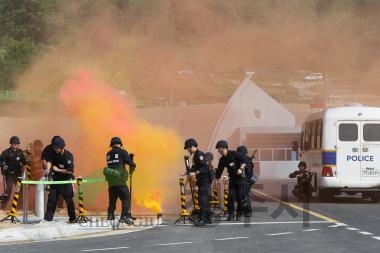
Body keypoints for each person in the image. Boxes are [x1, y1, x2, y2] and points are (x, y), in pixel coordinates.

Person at [103, 137, 136, 224]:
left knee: (112, 199)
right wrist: (132, 161)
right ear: (120, 144)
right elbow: (130, 163)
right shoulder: (123, 152)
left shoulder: (108, 154)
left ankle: (110, 215)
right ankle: (124, 217)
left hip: (111, 181)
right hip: (120, 180)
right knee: (126, 198)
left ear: (112, 144)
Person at [44, 137, 76, 223]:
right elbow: (49, 161)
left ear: (61, 147)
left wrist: (57, 169)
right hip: (56, 180)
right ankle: (47, 220)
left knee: (69, 200)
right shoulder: (53, 153)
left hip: (66, 180)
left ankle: (72, 219)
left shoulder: (68, 156)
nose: (54, 149)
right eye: (54, 147)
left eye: (56, 147)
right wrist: (47, 169)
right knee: (52, 200)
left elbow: (70, 170)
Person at [215, 140, 247, 221]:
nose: (218, 151)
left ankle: (239, 214)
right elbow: (219, 171)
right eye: (218, 149)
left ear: (224, 148)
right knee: (230, 198)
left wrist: (240, 168)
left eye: (219, 149)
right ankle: (231, 214)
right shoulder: (222, 160)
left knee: (240, 197)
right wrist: (216, 181)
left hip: (240, 179)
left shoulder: (234, 154)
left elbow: (245, 160)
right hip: (232, 179)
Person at [184, 138, 212, 226]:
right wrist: (186, 173)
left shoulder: (199, 154)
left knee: (202, 201)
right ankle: (208, 218)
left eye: (188, 148)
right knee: (203, 200)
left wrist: (196, 173)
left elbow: (205, 167)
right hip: (201, 181)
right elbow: (194, 168)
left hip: (204, 181)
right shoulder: (195, 156)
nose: (188, 150)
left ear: (193, 146)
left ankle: (203, 220)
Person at [0, 136, 27, 208]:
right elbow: (1, 160)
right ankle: (3, 204)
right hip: (9, 174)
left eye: (17, 144)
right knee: (9, 189)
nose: (15, 145)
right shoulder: (6, 152)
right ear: (11, 144)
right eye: (14, 144)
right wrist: (3, 165)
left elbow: (24, 162)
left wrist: (23, 170)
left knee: (21, 189)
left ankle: (19, 207)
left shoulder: (20, 152)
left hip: (18, 174)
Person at [236, 145, 254, 217]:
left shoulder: (245, 160)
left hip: (246, 180)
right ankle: (244, 210)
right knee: (242, 195)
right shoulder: (247, 159)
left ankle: (248, 211)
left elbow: (248, 170)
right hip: (246, 180)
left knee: (245, 195)